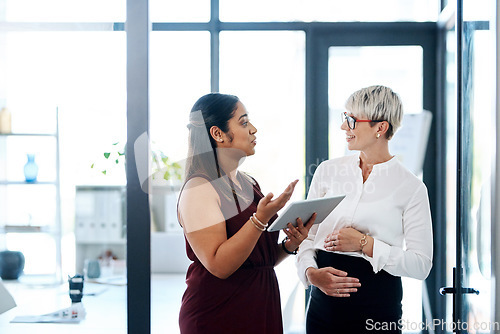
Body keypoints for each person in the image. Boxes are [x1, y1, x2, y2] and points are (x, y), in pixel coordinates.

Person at [177, 93, 337, 334]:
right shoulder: (200, 188)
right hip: (218, 313)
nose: (253, 130)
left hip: (259, 303)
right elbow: (219, 265)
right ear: (218, 134)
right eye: (243, 122)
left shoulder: (248, 183)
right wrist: (260, 219)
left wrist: (289, 246)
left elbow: (258, 260)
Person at [296, 85, 433, 333]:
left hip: (377, 309)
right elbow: (308, 237)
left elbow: (421, 265)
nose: (343, 127)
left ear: (380, 128)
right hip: (322, 309)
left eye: (351, 120)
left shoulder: (411, 188)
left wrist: (364, 243)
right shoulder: (327, 171)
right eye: (344, 118)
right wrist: (310, 273)